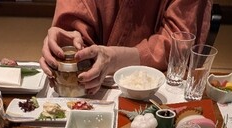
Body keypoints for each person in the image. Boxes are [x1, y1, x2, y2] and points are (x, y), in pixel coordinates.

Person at [39, 0, 212, 95]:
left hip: (157, 91)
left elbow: (178, 43)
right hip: (92, 91)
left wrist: (113, 58)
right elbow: (74, 22)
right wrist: (68, 41)